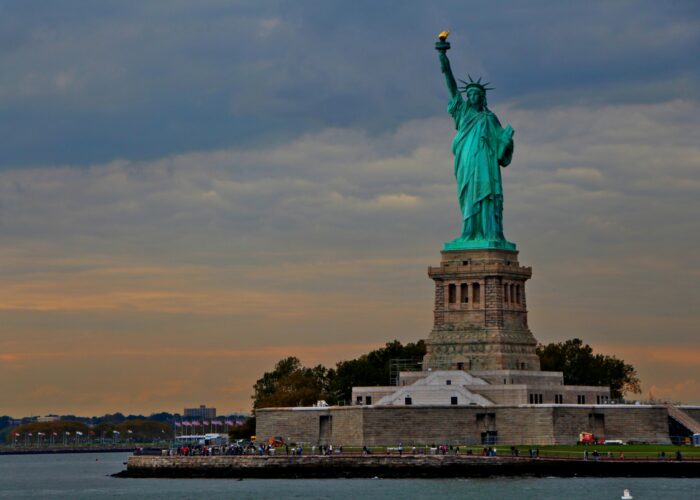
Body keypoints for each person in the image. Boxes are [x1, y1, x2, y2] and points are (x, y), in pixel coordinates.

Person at [437, 45, 514, 246]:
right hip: (466, 161)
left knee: (486, 196)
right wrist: (444, 61)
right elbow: (452, 87)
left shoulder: (490, 118)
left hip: (485, 164)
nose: (472, 97)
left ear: (482, 97)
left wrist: (506, 140)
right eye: (469, 94)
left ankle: (489, 233)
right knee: (468, 195)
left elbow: (501, 149)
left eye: (476, 94)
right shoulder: (462, 113)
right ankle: (469, 233)